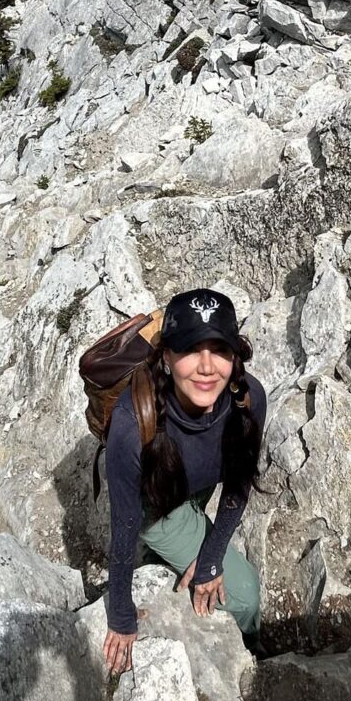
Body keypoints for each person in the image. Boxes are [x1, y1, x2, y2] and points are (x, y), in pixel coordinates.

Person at [101, 289, 266, 675]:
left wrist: (210, 558)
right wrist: (122, 615)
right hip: (157, 507)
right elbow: (123, 526)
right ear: (167, 357)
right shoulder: (131, 425)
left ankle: (172, 553)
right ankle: (252, 647)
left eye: (220, 349)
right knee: (245, 596)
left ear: (235, 355)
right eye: (191, 349)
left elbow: (238, 484)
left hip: (193, 483)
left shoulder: (249, 398)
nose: (207, 367)